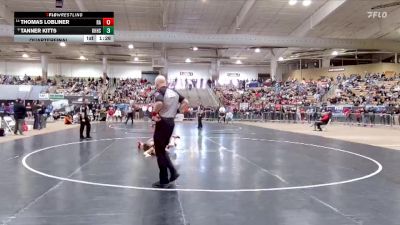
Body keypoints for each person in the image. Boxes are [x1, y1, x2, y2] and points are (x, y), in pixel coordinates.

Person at [151, 75, 189, 188]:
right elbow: (186, 102)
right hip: (171, 123)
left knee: (159, 152)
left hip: (162, 122)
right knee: (162, 150)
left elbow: (159, 103)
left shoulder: (159, 91)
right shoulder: (174, 92)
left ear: (157, 83)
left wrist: (154, 114)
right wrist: (177, 111)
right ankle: (172, 172)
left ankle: (164, 180)